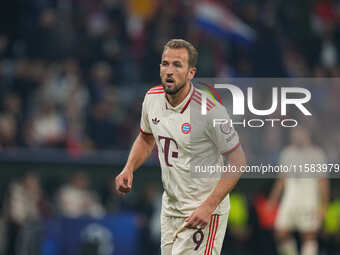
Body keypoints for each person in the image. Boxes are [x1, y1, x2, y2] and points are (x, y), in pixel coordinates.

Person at [115, 39, 246, 254]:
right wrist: (128, 168)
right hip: (171, 209)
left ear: (191, 73)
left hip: (204, 210)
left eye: (177, 65)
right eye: (165, 63)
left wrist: (209, 206)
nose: (169, 71)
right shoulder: (152, 99)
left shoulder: (209, 110)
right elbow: (147, 138)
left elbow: (238, 161)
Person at [268, 127, 330, 255]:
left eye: (300, 132)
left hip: (309, 200)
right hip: (290, 199)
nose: (297, 136)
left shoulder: (316, 153)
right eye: (295, 133)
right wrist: (273, 199)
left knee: (308, 235)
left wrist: (324, 206)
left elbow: (323, 181)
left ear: (307, 134)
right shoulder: (287, 153)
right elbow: (282, 179)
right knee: (281, 232)